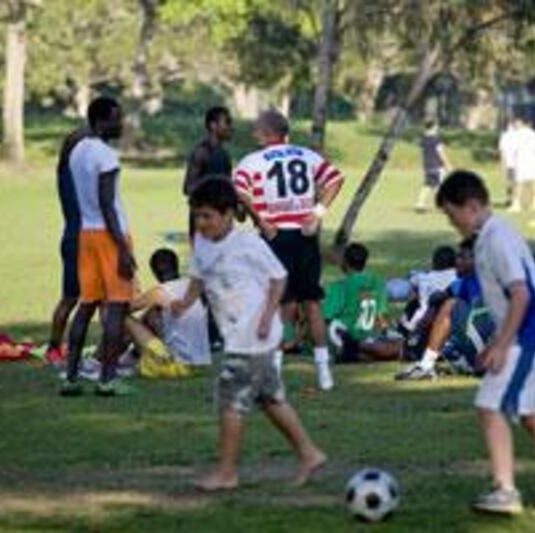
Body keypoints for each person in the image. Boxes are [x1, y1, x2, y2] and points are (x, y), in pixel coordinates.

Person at [435, 170, 535, 522]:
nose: (451, 221)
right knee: (533, 417)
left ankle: (507, 491)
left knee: (491, 405)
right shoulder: (490, 235)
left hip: (530, 337)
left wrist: (502, 344)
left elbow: (521, 293)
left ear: (472, 206)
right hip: (530, 335)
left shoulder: (497, 238)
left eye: (451, 213)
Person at [171, 179, 326, 491]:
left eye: (207, 216)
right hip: (237, 334)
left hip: (253, 335)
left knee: (231, 399)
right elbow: (199, 276)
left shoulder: (249, 245)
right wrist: (185, 301)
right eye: (197, 216)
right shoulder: (202, 242)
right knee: (270, 399)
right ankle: (309, 454)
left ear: (229, 214)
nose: (201, 223)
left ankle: (227, 473)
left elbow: (279, 279)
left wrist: (268, 316)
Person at [234, 110, 345, 391]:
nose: (254, 135)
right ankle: (323, 373)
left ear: (268, 134)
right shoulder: (307, 155)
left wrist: (260, 219)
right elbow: (335, 179)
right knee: (312, 303)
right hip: (305, 234)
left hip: (276, 236)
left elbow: (240, 191)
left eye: (258, 131)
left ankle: (275, 372)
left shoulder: (253, 160)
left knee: (280, 304)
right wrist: (317, 213)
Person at [61, 96, 137, 396]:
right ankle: (107, 380)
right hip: (109, 236)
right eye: (116, 118)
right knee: (117, 309)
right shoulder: (106, 155)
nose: (121, 124)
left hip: (86, 235)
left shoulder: (78, 150)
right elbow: (108, 204)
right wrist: (123, 249)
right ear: (101, 120)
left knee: (86, 306)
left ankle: (70, 377)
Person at [395, 239, 495, 381]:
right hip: (481, 341)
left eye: (461, 257)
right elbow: (438, 296)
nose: (456, 262)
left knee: (451, 305)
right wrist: (430, 309)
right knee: (446, 304)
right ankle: (462, 361)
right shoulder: (464, 282)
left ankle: (426, 364)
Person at [45, 126, 90, 366]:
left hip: (79, 238)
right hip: (80, 240)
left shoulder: (68, 170)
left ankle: (62, 349)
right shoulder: (72, 172)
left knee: (80, 300)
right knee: (72, 299)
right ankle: (55, 348)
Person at [125, 248, 210, 367]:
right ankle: (132, 355)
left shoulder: (158, 292)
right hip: (202, 360)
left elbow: (122, 310)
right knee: (153, 314)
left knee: (124, 318)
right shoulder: (194, 287)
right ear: (176, 265)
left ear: (154, 272)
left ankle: (109, 358)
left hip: (176, 362)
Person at [323, 243, 400, 363]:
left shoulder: (340, 286)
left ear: (345, 262)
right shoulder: (378, 283)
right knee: (395, 345)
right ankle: (368, 352)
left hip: (345, 335)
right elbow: (382, 316)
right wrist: (385, 332)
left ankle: (350, 351)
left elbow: (326, 317)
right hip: (369, 336)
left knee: (334, 329)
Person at [183, 106, 234, 239]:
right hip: (204, 225)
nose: (231, 127)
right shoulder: (201, 153)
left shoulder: (225, 155)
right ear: (213, 125)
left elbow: (228, 188)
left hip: (224, 224)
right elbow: (188, 188)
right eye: (227, 122)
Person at [416, 120, 452, 213]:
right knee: (439, 186)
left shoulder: (423, 139)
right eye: (436, 127)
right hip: (437, 166)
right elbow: (441, 153)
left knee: (428, 185)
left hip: (427, 165)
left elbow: (422, 153)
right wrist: (448, 164)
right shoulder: (436, 140)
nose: (437, 129)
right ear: (433, 127)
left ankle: (420, 204)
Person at [509, 118, 535, 213]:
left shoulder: (517, 134)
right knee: (532, 182)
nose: (515, 126)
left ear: (521, 123)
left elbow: (513, 149)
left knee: (520, 182)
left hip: (522, 160)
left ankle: (517, 204)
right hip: (530, 160)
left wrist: (512, 162)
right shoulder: (533, 133)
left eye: (516, 124)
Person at [498, 119, 518, 204]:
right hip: (513, 161)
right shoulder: (508, 136)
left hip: (512, 161)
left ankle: (511, 198)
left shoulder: (506, 136)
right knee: (513, 181)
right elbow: (502, 150)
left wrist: (502, 162)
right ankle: (512, 198)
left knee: (511, 181)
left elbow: (502, 151)